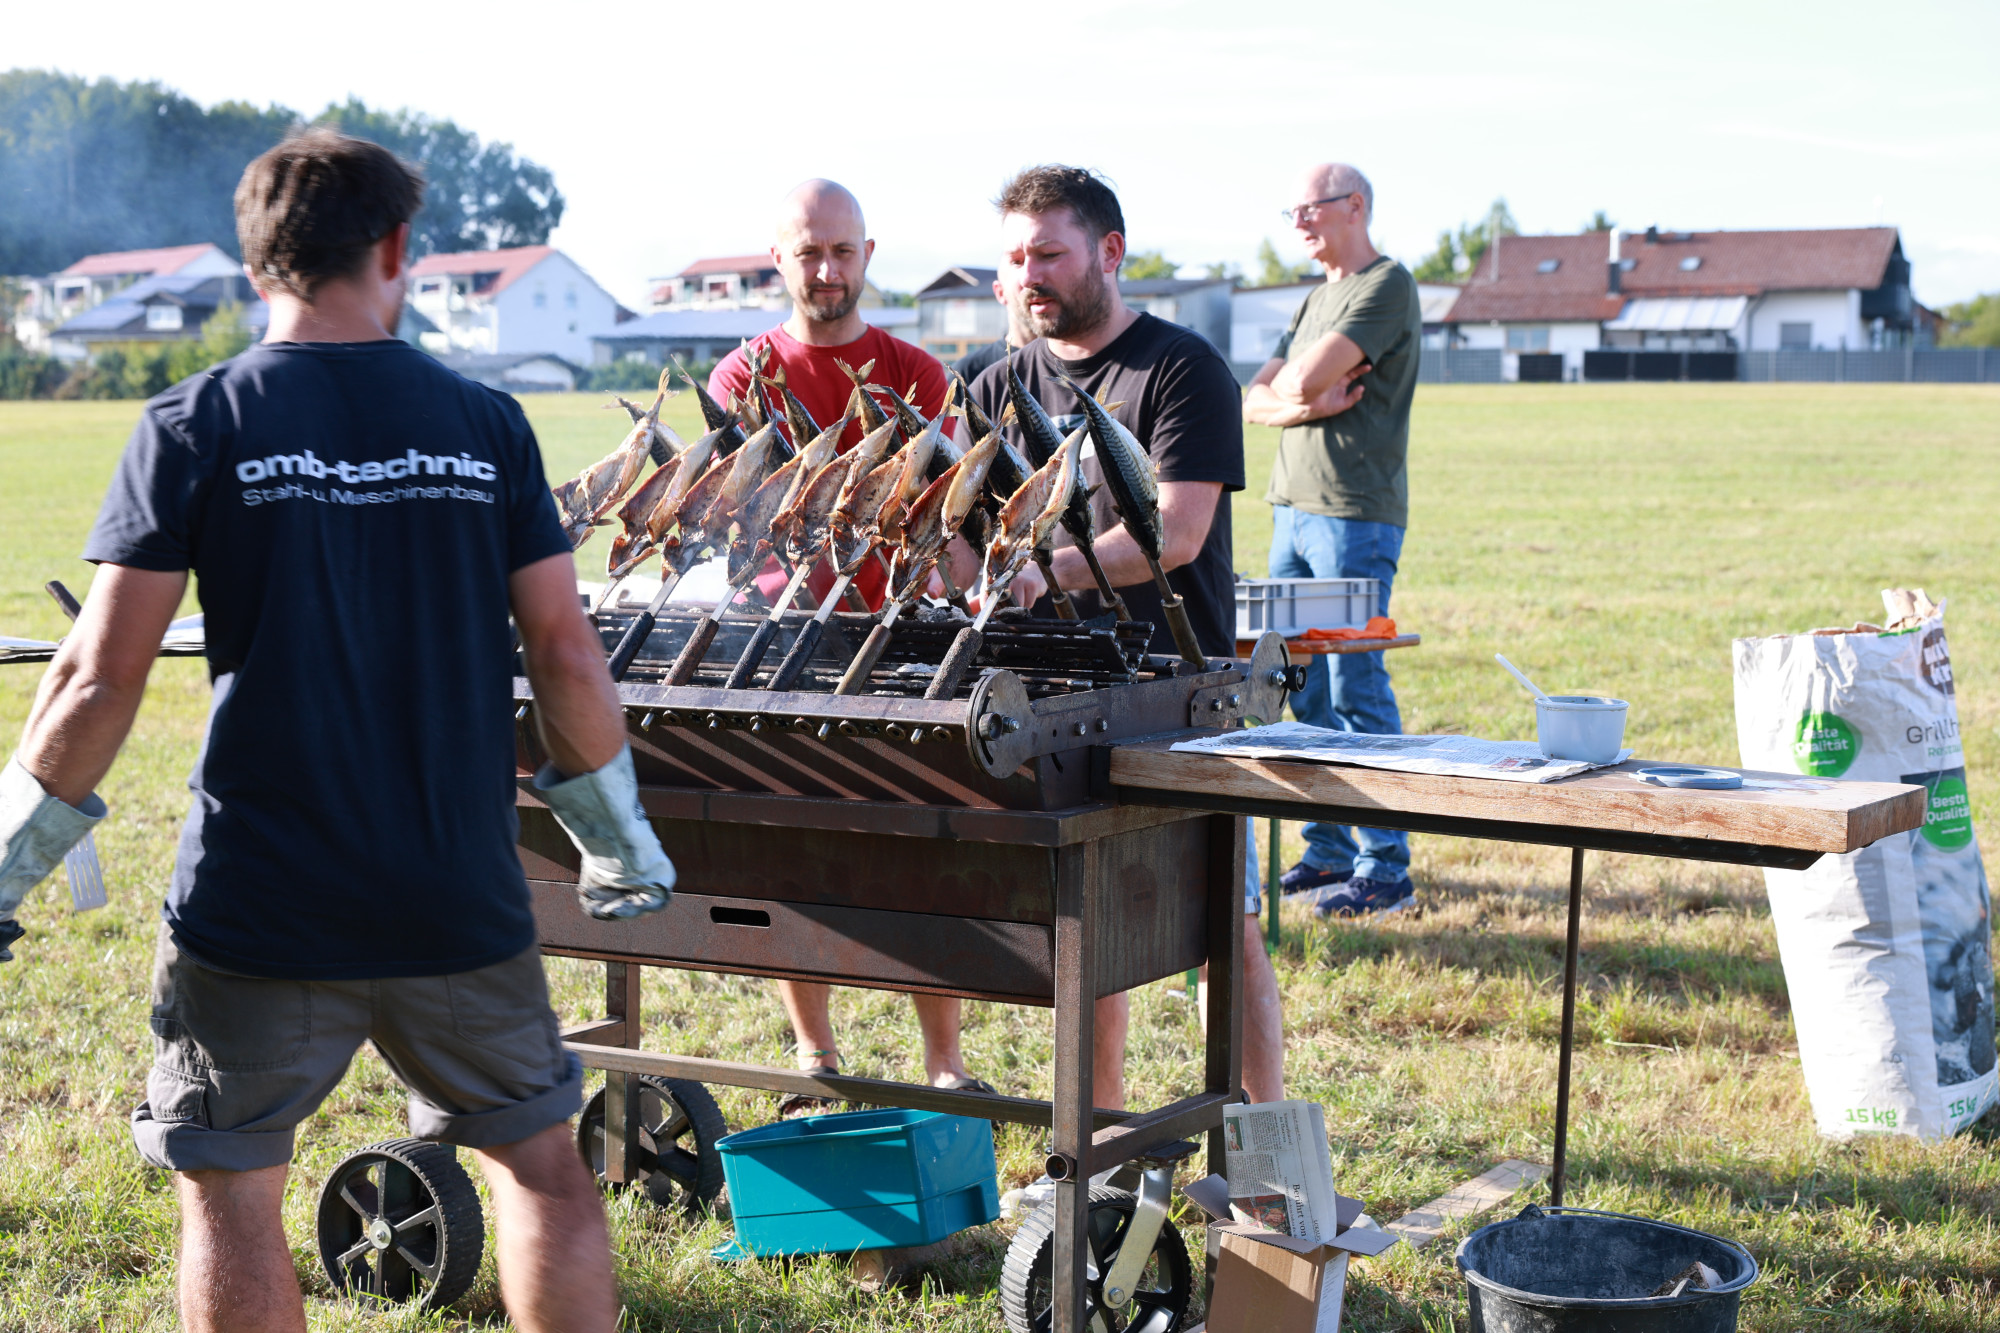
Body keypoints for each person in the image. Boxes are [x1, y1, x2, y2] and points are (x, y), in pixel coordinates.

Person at [0, 129, 674, 1333]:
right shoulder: (484, 424)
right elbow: (566, 653)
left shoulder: (194, 421)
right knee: (540, 1165)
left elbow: (100, 677)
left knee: (231, 1192)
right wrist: (616, 839)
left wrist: (7, 867)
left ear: (257, 259)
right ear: (396, 248)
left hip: (260, 902)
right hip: (454, 894)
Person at [967, 165, 1285, 1125]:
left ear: (1110, 251)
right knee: (1084, 933)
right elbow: (967, 540)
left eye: (1049, 253)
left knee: (1222, 925)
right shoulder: (995, 386)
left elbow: (1177, 533)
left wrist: (1048, 571)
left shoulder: (1181, 368)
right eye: (1016, 258)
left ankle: (1263, 1143)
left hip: (1180, 693)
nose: (1031, 275)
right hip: (1056, 699)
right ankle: (1099, 1137)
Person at [706, 180, 976, 1112]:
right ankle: (815, 1055)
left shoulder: (916, 371)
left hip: (899, 633)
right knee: (797, 846)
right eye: (809, 251)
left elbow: (943, 507)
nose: (827, 270)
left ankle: (944, 1061)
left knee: (924, 847)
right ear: (778, 258)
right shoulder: (742, 376)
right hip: (789, 637)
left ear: (868, 254)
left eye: (843, 250)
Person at [1242, 163, 1422, 919]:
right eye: (1291, 212)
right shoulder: (1317, 297)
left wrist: (1296, 392)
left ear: (1354, 206)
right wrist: (1304, 410)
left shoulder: (1387, 285)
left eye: (1308, 209)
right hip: (1291, 509)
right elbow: (1256, 398)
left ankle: (1386, 868)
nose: (1298, 224)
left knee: (1356, 684)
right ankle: (1328, 850)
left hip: (1353, 514)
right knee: (1300, 683)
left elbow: (1300, 375)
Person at [950, 269, 1032, 383]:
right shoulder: (968, 372)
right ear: (1000, 292)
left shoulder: (1059, 365)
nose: (1031, 279)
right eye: (1017, 262)